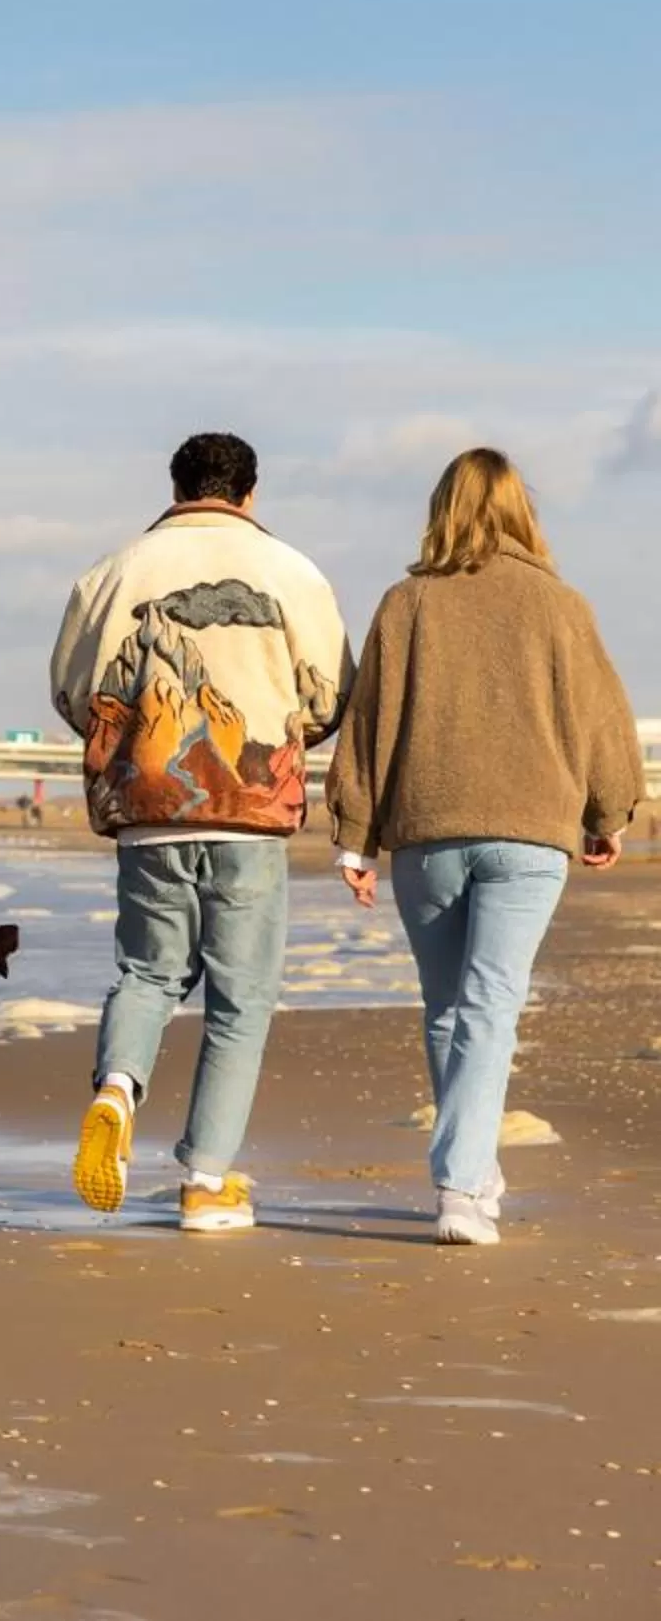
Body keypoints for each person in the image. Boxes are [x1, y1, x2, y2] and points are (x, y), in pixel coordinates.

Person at [324, 449, 642, 1246]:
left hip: (427, 831)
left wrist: (355, 837)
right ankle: (464, 1185)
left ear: (442, 510)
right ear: (521, 512)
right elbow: (602, 716)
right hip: (531, 833)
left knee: (452, 1010)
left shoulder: (407, 603)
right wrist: (609, 812)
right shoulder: (561, 605)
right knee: (487, 1007)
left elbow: (370, 725)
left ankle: (469, 1174)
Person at [49, 432, 352, 1232]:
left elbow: (73, 692)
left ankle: (116, 1088)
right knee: (239, 1002)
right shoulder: (294, 572)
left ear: (176, 485)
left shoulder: (111, 572)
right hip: (250, 818)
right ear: (249, 493)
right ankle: (205, 1181)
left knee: (148, 973)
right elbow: (327, 696)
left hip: (146, 813)